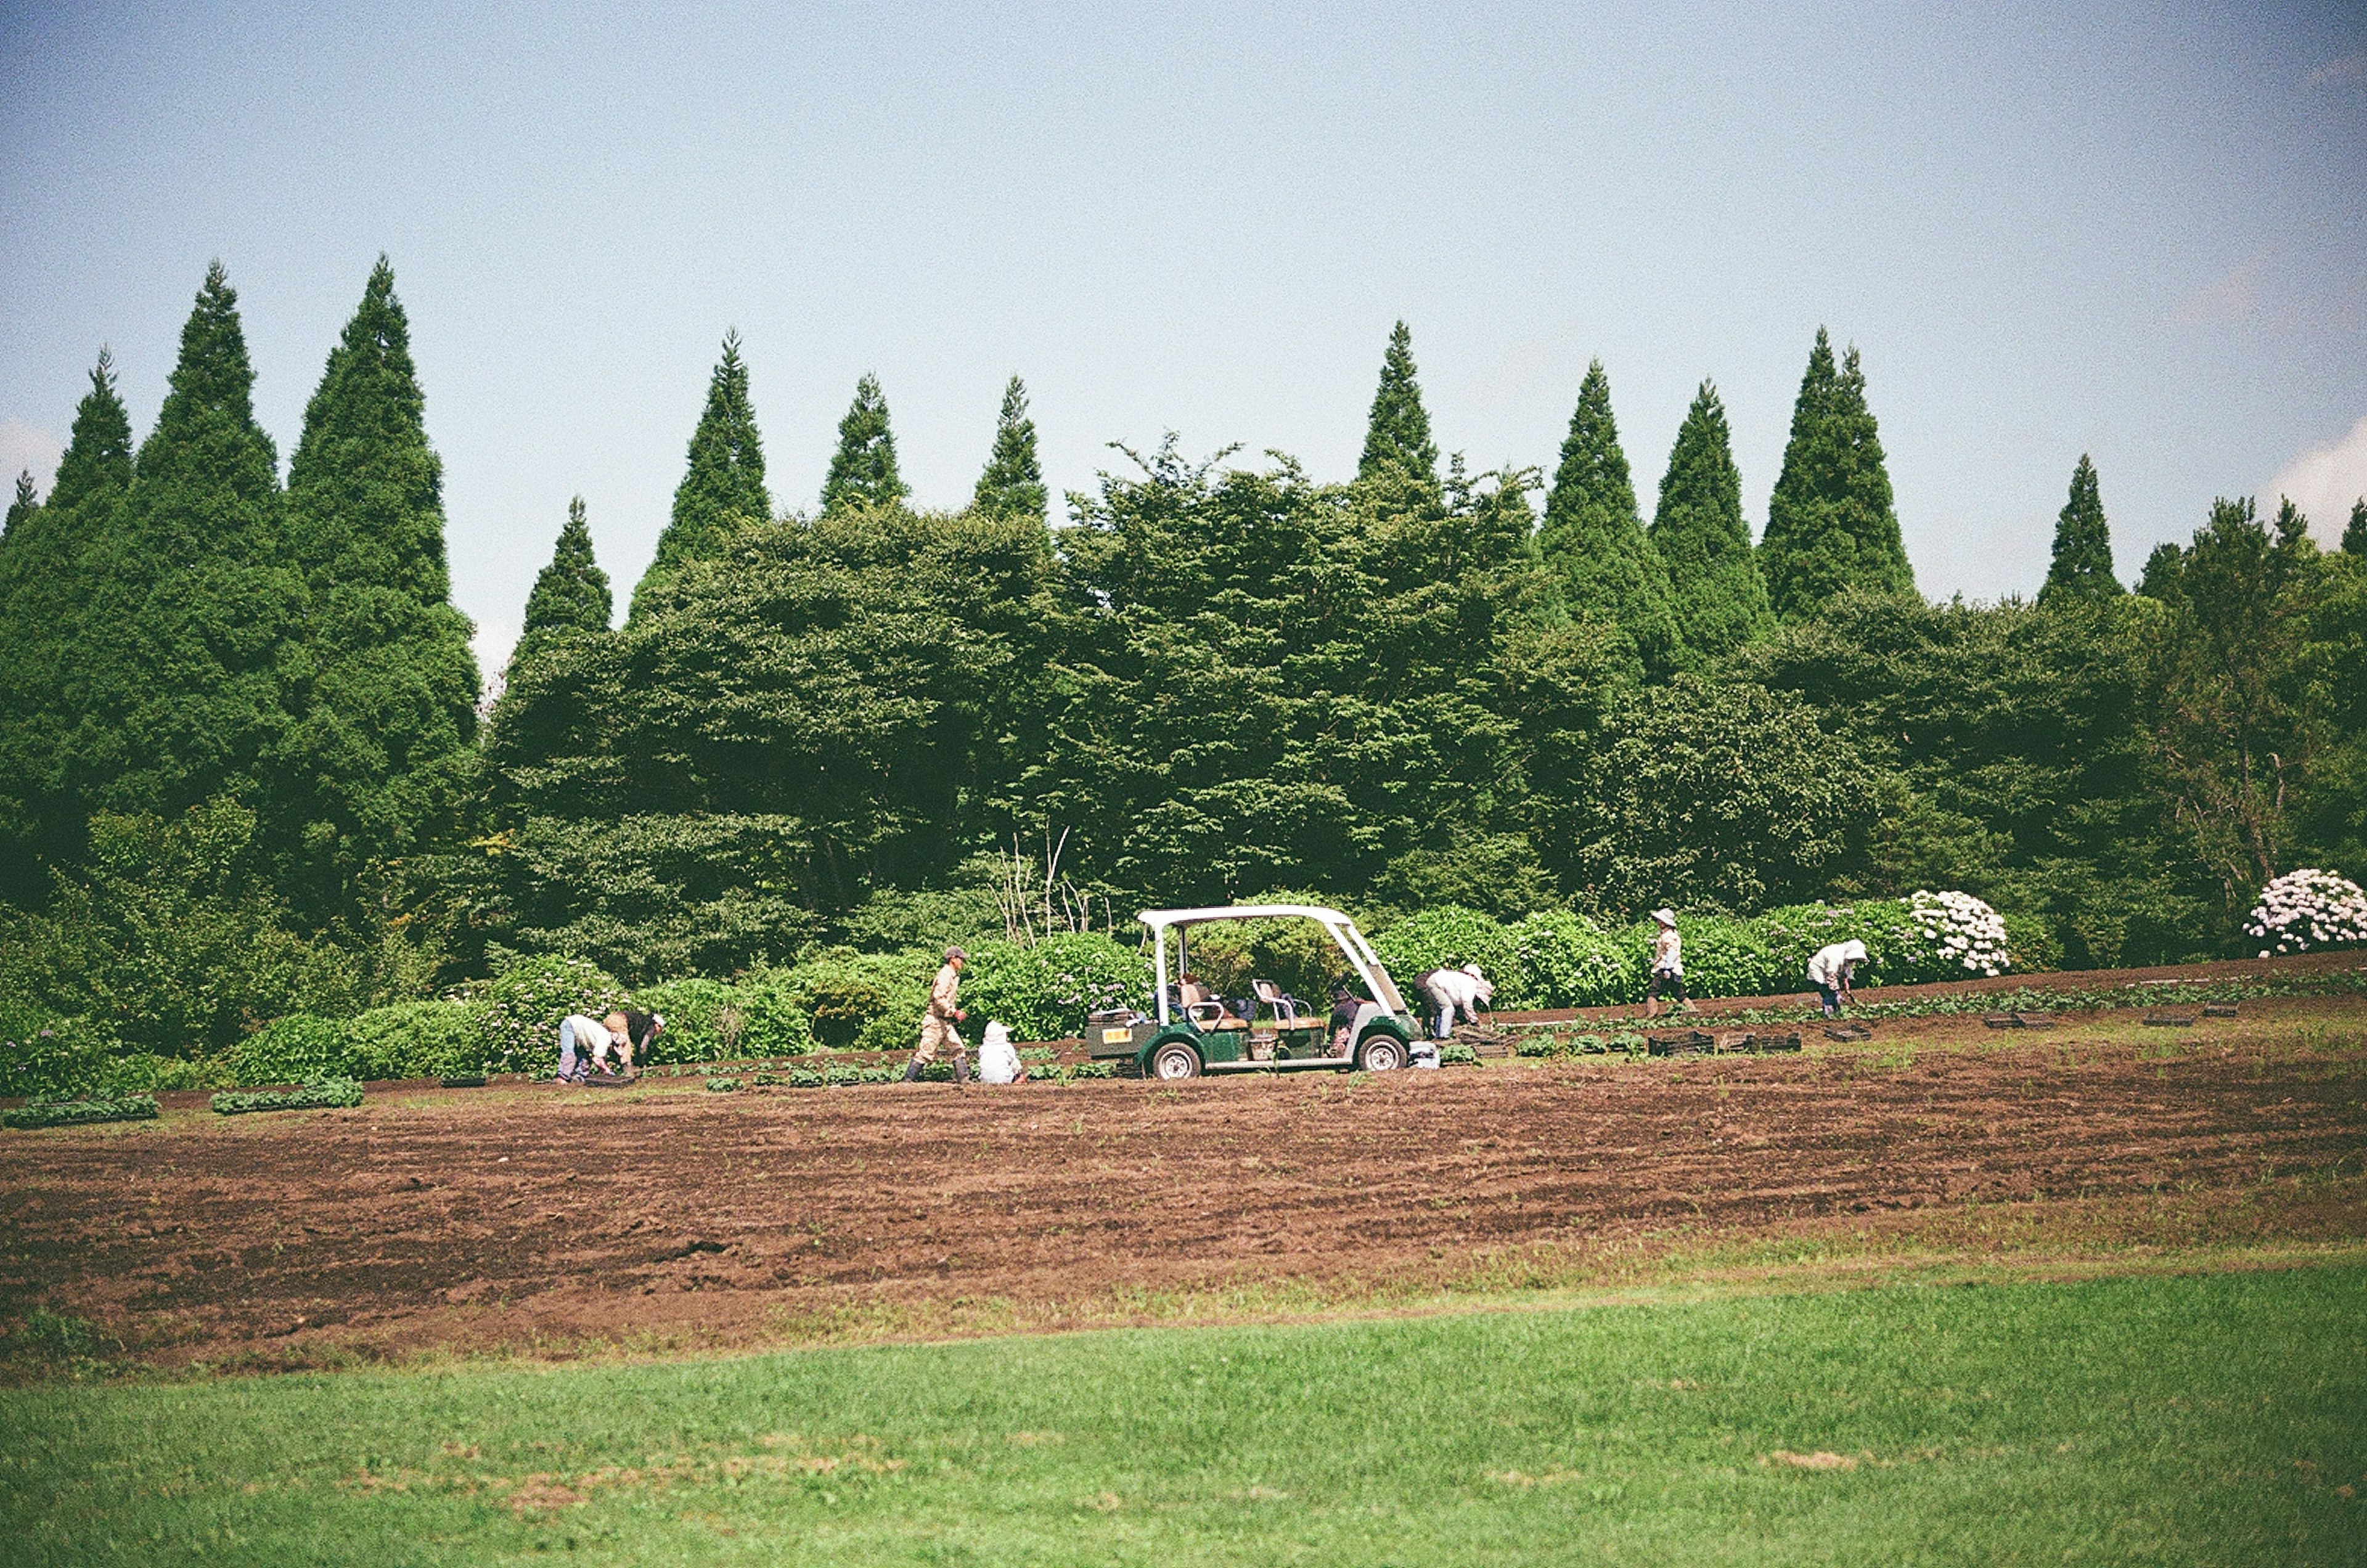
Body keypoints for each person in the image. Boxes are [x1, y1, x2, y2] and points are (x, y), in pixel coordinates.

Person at [905, 945, 972, 1085]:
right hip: (935, 1021)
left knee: (958, 1049)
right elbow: (938, 997)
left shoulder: (952, 975)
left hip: (945, 1022)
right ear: (953, 959)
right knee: (926, 1052)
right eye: (961, 959)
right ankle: (908, 1080)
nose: (962, 963)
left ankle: (965, 1080)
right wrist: (954, 1011)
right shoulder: (946, 974)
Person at [1417, 963, 1494, 1042]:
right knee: (1448, 1008)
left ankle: (1439, 1034)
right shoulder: (1471, 984)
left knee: (1442, 1010)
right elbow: (1467, 1004)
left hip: (1434, 981)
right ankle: (1444, 1037)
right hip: (1435, 983)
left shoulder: (1468, 981)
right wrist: (1474, 1020)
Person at [1643, 909, 1691, 1017]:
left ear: (1665, 922)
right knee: (1679, 994)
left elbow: (1671, 952)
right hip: (1673, 969)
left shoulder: (1668, 936)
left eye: (1660, 920)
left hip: (1665, 968)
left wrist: (1668, 969)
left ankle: (1651, 1015)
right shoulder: (1670, 934)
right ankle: (1692, 1012)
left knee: (1653, 992)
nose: (1658, 922)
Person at [1806, 939, 1868, 1017]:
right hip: (1819, 970)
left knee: (1834, 994)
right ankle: (1829, 1013)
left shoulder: (1848, 959)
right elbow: (1832, 975)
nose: (1854, 961)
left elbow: (1845, 972)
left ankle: (1836, 1011)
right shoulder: (1836, 956)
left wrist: (1846, 985)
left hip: (1829, 970)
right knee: (1828, 993)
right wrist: (1835, 989)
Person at [977, 1019, 1028, 1085]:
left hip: (985, 1081)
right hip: (1006, 1080)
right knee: (1018, 1070)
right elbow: (1016, 1066)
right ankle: (1017, 1082)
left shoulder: (982, 1048)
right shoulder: (1007, 1047)